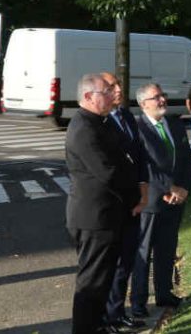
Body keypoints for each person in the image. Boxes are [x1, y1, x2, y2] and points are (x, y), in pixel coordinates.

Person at [64, 73, 144, 334]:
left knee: (104, 279)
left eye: (111, 91)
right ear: (88, 97)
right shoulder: (84, 127)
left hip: (110, 215)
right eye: (106, 92)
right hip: (94, 218)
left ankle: (98, 325)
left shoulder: (103, 121)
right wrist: (135, 195)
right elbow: (108, 171)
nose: (112, 96)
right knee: (92, 283)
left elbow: (127, 158)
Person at [131, 83, 191, 313]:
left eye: (163, 95)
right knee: (143, 253)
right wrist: (170, 187)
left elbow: (188, 159)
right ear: (143, 104)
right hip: (151, 200)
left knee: (167, 250)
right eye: (156, 97)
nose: (162, 100)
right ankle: (138, 302)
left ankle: (164, 294)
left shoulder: (175, 125)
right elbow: (144, 166)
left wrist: (184, 188)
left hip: (176, 200)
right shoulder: (137, 129)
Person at [100, 72, 149, 330]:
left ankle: (118, 313)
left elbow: (139, 156)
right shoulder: (101, 122)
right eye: (112, 86)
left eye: (119, 84)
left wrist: (143, 190)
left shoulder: (127, 116)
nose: (118, 89)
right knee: (113, 264)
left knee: (127, 261)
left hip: (133, 201)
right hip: (113, 204)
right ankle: (107, 317)